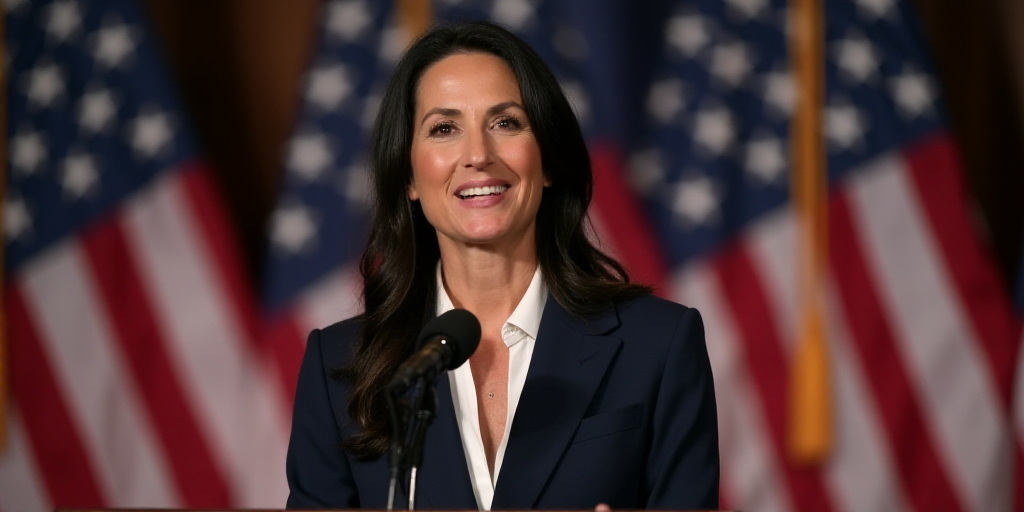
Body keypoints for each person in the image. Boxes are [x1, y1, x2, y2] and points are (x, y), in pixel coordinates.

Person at [285, 20, 719, 511]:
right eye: (444, 128)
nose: (478, 155)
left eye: (505, 122)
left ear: (548, 160)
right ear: (408, 175)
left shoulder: (659, 346)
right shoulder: (339, 368)